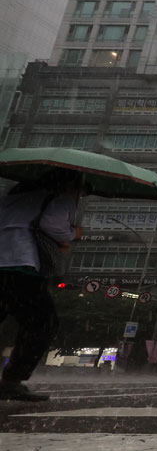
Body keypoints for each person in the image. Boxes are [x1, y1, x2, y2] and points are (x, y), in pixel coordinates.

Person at [0, 170, 84, 401]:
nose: (81, 196)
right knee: (42, 323)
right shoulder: (61, 198)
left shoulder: (11, 197)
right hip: (21, 265)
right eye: (82, 190)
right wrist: (72, 233)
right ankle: (12, 380)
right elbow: (53, 225)